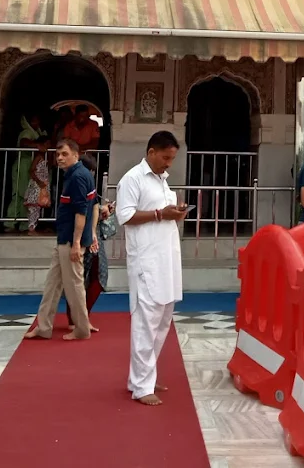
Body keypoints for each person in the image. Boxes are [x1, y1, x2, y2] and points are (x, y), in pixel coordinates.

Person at [116, 131, 188, 406]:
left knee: (163, 320)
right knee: (146, 321)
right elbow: (125, 216)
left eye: (172, 158)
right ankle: (142, 386)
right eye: (166, 157)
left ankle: (143, 376)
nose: (169, 163)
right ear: (151, 152)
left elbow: (163, 214)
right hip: (146, 261)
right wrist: (160, 214)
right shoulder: (133, 179)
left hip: (166, 259)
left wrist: (174, 213)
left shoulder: (162, 181)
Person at [24, 138, 94, 342]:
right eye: (58, 154)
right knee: (52, 284)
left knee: (74, 286)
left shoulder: (78, 177)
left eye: (64, 154)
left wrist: (76, 242)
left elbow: (82, 212)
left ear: (75, 154)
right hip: (64, 239)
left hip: (71, 241)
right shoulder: (75, 175)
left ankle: (82, 328)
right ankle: (44, 326)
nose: (60, 158)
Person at [81, 153, 118, 317]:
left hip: (91, 235)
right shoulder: (81, 187)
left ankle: (80, 315)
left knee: (89, 277)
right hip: (87, 237)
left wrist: (103, 212)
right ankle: (80, 316)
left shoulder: (88, 189)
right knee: (91, 277)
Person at [7, 115, 44, 229]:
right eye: (33, 120)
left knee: (27, 196)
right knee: (19, 194)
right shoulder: (27, 132)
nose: (36, 123)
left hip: (29, 165)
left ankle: (24, 223)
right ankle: (10, 222)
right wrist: (37, 145)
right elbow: (24, 142)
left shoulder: (38, 132)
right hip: (22, 165)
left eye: (37, 120)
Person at [23, 138, 52, 235]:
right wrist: (38, 181)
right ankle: (31, 228)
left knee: (37, 207)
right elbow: (31, 170)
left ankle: (33, 226)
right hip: (37, 185)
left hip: (42, 185)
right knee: (33, 207)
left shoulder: (46, 157)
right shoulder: (39, 156)